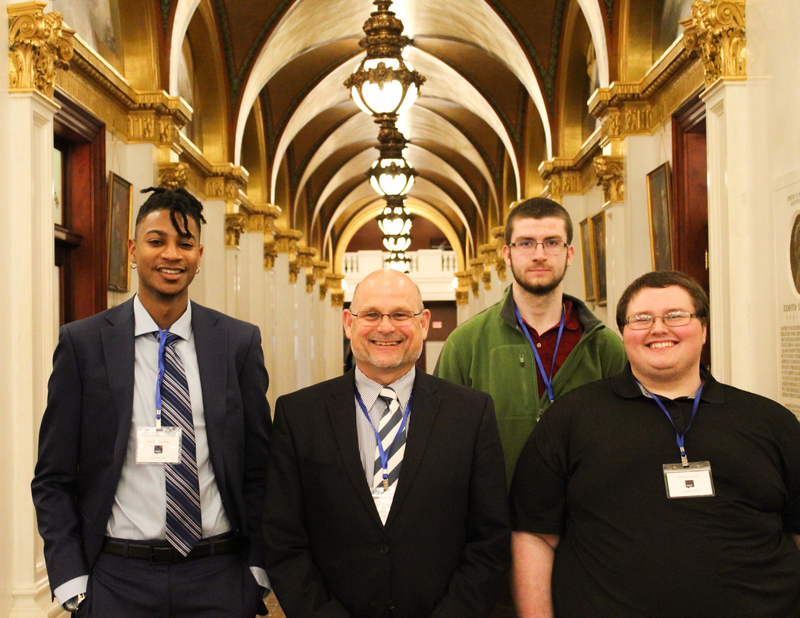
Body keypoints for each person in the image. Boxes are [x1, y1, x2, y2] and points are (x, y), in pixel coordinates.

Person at [31, 187, 271, 617]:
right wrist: (73, 587)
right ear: (132, 249)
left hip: (217, 577)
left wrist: (254, 572)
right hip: (117, 582)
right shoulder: (83, 345)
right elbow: (53, 477)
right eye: (157, 241)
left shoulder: (237, 344)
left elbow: (260, 468)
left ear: (200, 253)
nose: (171, 255)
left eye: (184, 244)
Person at [510, 270, 800, 617]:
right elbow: (534, 537)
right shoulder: (571, 419)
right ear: (623, 334)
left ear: (704, 329)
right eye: (641, 319)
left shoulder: (770, 421)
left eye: (676, 316)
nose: (658, 328)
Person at [263, 268, 511, 618]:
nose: (385, 327)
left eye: (399, 315)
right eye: (372, 315)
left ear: (423, 323)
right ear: (349, 323)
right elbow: (283, 540)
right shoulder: (299, 415)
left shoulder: (471, 413)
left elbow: (490, 539)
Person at [436, 197, 625, 482]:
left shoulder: (604, 346)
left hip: (585, 516)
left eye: (551, 242)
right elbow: (443, 443)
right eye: (525, 243)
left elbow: (624, 440)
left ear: (569, 254)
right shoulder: (465, 344)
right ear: (507, 254)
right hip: (497, 518)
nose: (539, 254)